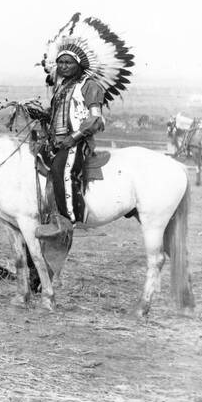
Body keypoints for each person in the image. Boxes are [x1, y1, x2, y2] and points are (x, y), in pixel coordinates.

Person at [34, 14, 133, 237]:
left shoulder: (90, 87)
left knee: (62, 170)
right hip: (57, 140)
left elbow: (95, 119)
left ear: (79, 65)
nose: (63, 66)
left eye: (68, 62)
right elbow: (58, 115)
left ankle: (67, 221)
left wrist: (75, 137)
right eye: (60, 62)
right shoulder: (61, 87)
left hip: (77, 141)